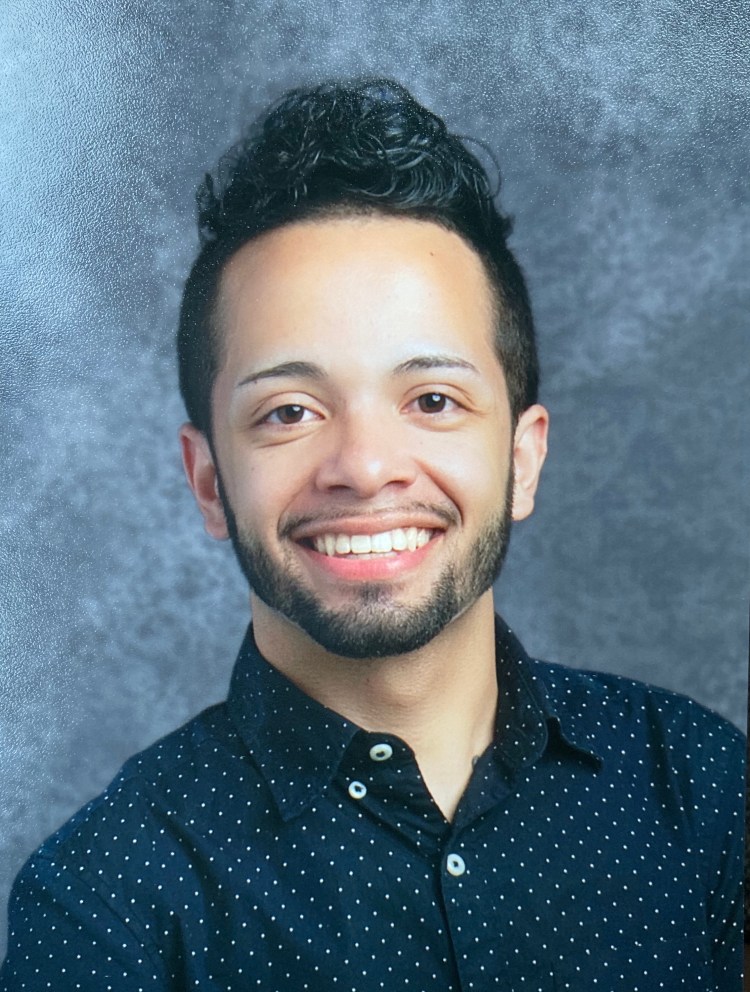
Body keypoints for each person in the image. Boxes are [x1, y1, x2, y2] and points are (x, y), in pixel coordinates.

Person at [1, 79, 743, 991]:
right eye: (289, 411)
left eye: (432, 399)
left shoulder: (707, 791)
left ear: (523, 459)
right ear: (207, 482)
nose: (364, 465)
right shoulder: (101, 905)